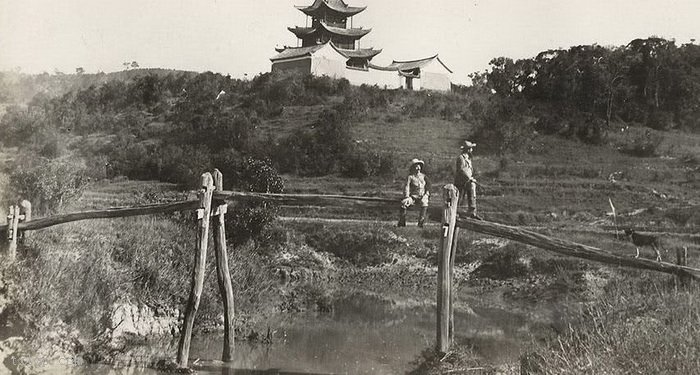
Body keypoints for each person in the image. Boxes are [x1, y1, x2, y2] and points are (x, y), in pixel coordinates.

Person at [398, 158, 430, 227]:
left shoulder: (424, 176)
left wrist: (426, 194)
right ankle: (402, 223)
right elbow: (407, 187)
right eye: (416, 166)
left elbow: (428, 186)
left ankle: (421, 223)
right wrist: (407, 196)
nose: (418, 168)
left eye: (419, 166)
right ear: (413, 168)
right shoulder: (410, 177)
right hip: (413, 197)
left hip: (423, 196)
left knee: (424, 204)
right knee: (404, 203)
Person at [454, 140, 482, 220]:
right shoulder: (461, 158)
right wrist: (469, 178)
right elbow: (461, 170)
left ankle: (472, 211)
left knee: (472, 193)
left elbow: (469, 170)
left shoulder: (468, 159)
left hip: (468, 181)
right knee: (459, 197)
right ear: (468, 149)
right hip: (461, 181)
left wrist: (471, 178)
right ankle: (456, 212)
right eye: (471, 148)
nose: (472, 150)